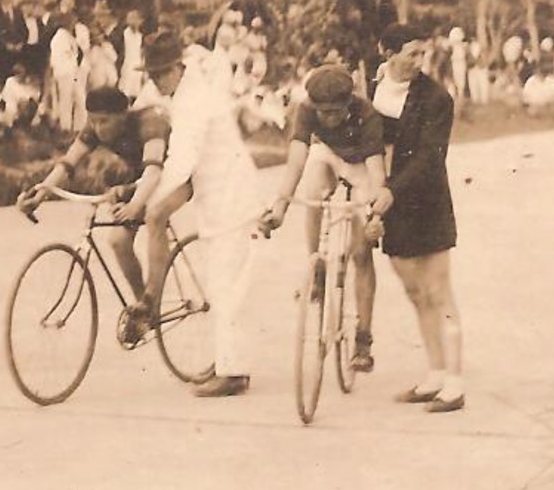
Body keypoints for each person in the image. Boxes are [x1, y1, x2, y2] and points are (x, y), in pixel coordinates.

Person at [138, 30, 261, 397]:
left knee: (226, 287)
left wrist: (152, 199)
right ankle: (228, 362)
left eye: (162, 73)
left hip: (232, 201)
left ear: (178, 67)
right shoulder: (185, 89)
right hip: (218, 199)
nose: (158, 82)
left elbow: (182, 161)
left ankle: (233, 372)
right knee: (221, 284)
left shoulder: (195, 101)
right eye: (153, 74)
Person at [257, 64, 393, 373]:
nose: (328, 118)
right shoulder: (305, 109)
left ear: (349, 103)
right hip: (329, 155)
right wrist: (279, 207)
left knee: (361, 253)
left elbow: (375, 172)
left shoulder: (366, 113)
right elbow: (295, 162)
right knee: (312, 188)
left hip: (361, 166)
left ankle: (363, 339)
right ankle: (316, 263)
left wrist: (374, 213)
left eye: (335, 112)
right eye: (323, 112)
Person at [19, 85, 171, 343]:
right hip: (140, 179)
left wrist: (134, 204)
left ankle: (151, 301)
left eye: (105, 121)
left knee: (143, 221)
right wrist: (42, 192)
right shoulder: (95, 126)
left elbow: (156, 173)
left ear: (123, 115)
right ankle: (144, 309)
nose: (98, 128)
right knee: (117, 240)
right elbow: (68, 163)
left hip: (170, 174)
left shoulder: (149, 122)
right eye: (93, 121)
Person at [371, 25, 465, 413]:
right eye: (409, 54)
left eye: (421, 54)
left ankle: (455, 384)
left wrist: (390, 191)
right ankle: (435, 373)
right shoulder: (373, 90)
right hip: (390, 206)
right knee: (415, 294)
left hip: (425, 203)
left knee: (439, 293)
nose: (417, 62)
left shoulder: (436, 98)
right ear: (386, 52)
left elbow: (430, 157)